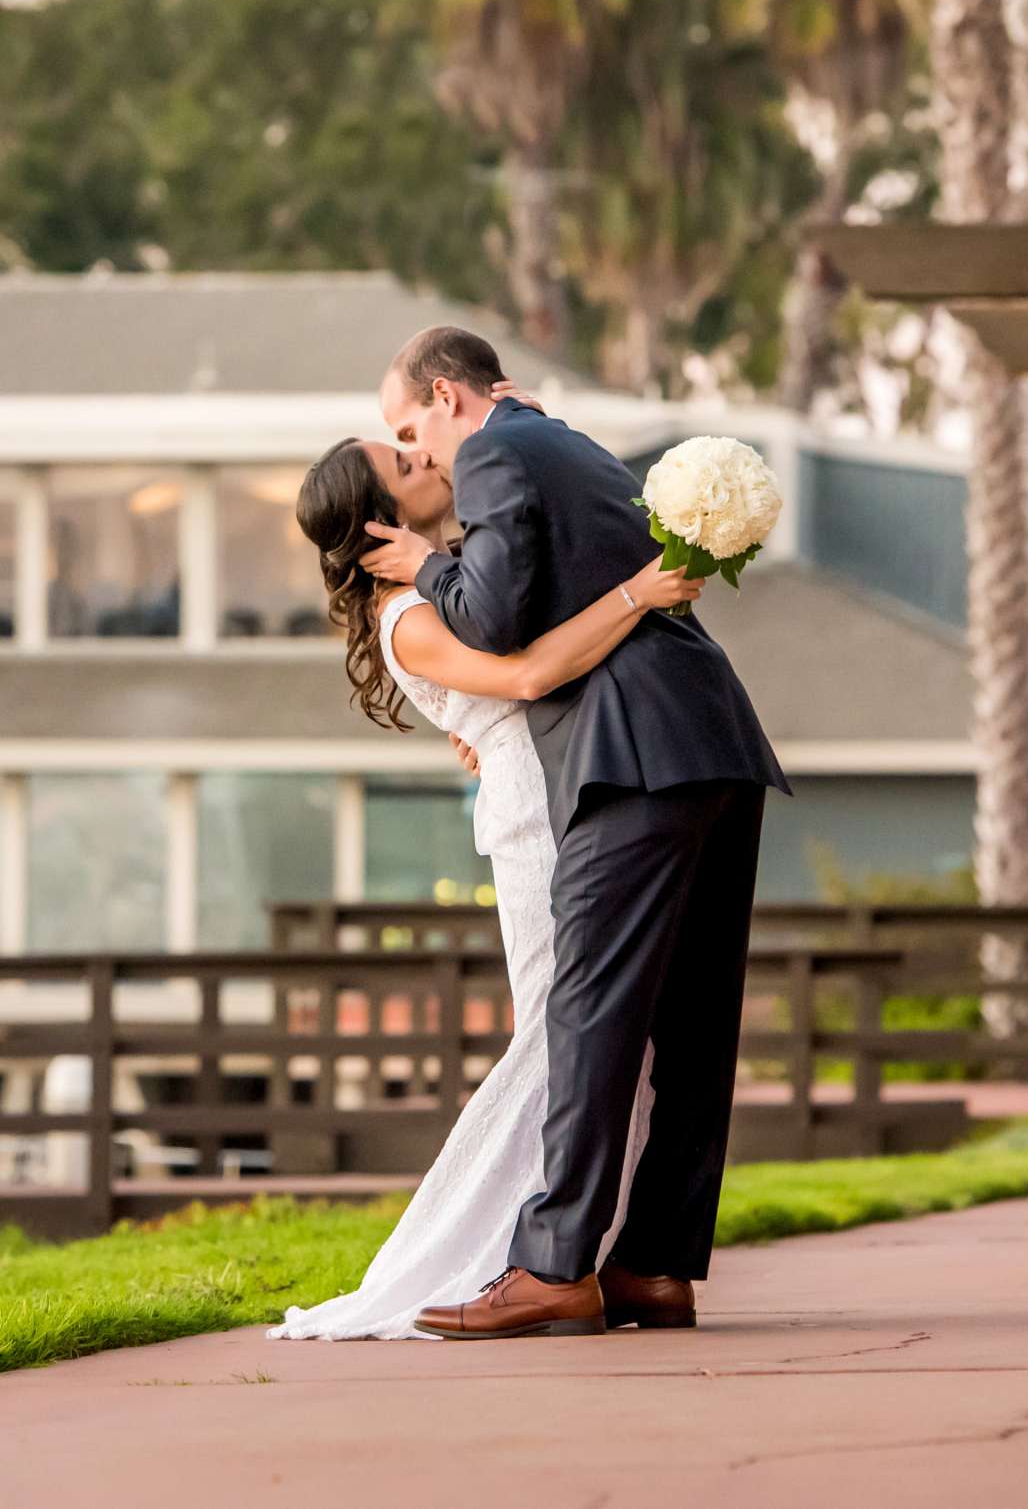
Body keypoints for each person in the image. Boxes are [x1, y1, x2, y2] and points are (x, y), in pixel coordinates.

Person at [357, 327, 789, 1340]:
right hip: (709, 740)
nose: (418, 453)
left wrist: (427, 568)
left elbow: (500, 620)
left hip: (636, 752)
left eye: (412, 428)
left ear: (449, 396)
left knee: (588, 1011)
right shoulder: (560, 443)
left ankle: (553, 1265)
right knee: (693, 1027)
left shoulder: (500, 451)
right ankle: (652, 1265)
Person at [271, 423, 704, 1339]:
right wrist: (640, 590)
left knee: (615, 1040)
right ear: (378, 525)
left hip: (560, 781)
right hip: (541, 818)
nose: (425, 457)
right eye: (403, 464)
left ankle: (595, 1252)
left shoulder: (454, 579)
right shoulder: (410, 616)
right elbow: (534, 671)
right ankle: (516, 1254)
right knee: (567, 1034)